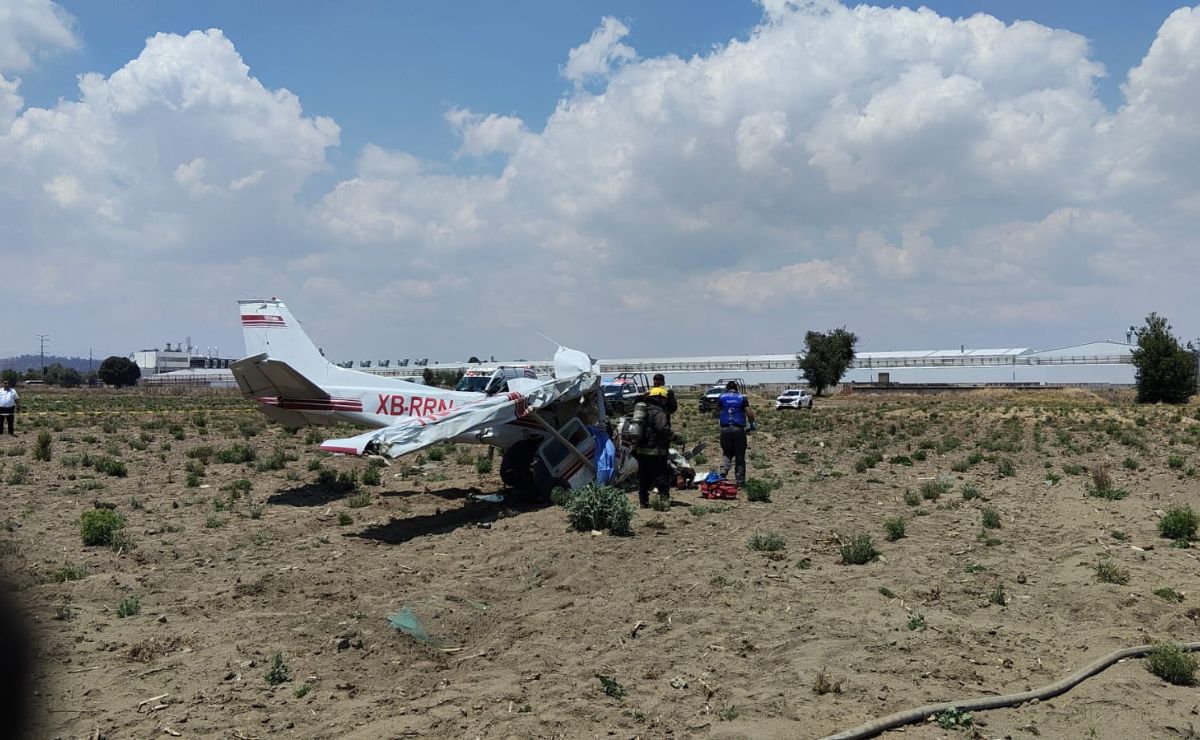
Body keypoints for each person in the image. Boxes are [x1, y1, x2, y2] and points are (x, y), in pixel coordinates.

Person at [633, 388, 671, 508]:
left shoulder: (643, 410)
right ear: (660, 398)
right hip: (656, 451)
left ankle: (643, 501)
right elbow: (662, 429)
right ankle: (664, 501)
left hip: (642, 450)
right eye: (664, 399)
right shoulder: (658, 412)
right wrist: (674, 437)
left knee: (644, 477)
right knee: (661, 475)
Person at [717, 380, 755, 486]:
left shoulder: (722, 397)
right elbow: (749, 414)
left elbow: (718, 410)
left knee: (727, 452)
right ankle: (740, 480)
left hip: (725, 429)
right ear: (737, 388)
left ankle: (723, 473)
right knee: (739, 455)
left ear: (727, 388)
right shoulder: (742, 398)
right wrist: (752, 424)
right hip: (738, 429)